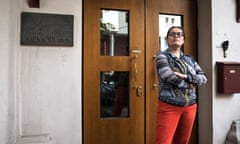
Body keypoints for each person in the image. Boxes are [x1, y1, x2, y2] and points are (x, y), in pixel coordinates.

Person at [155, 26, 207, 144]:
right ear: (167, 39)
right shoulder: (162, 57)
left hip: (190, 107)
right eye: (172, 34)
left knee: (183, 141)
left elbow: (203, 78)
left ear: (183, 40)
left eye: (179, 34)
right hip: (169, 106)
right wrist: (191, 84)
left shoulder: (190, 59)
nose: (176, 36)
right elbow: (168, 76)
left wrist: (186, 77)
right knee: (163, 141)